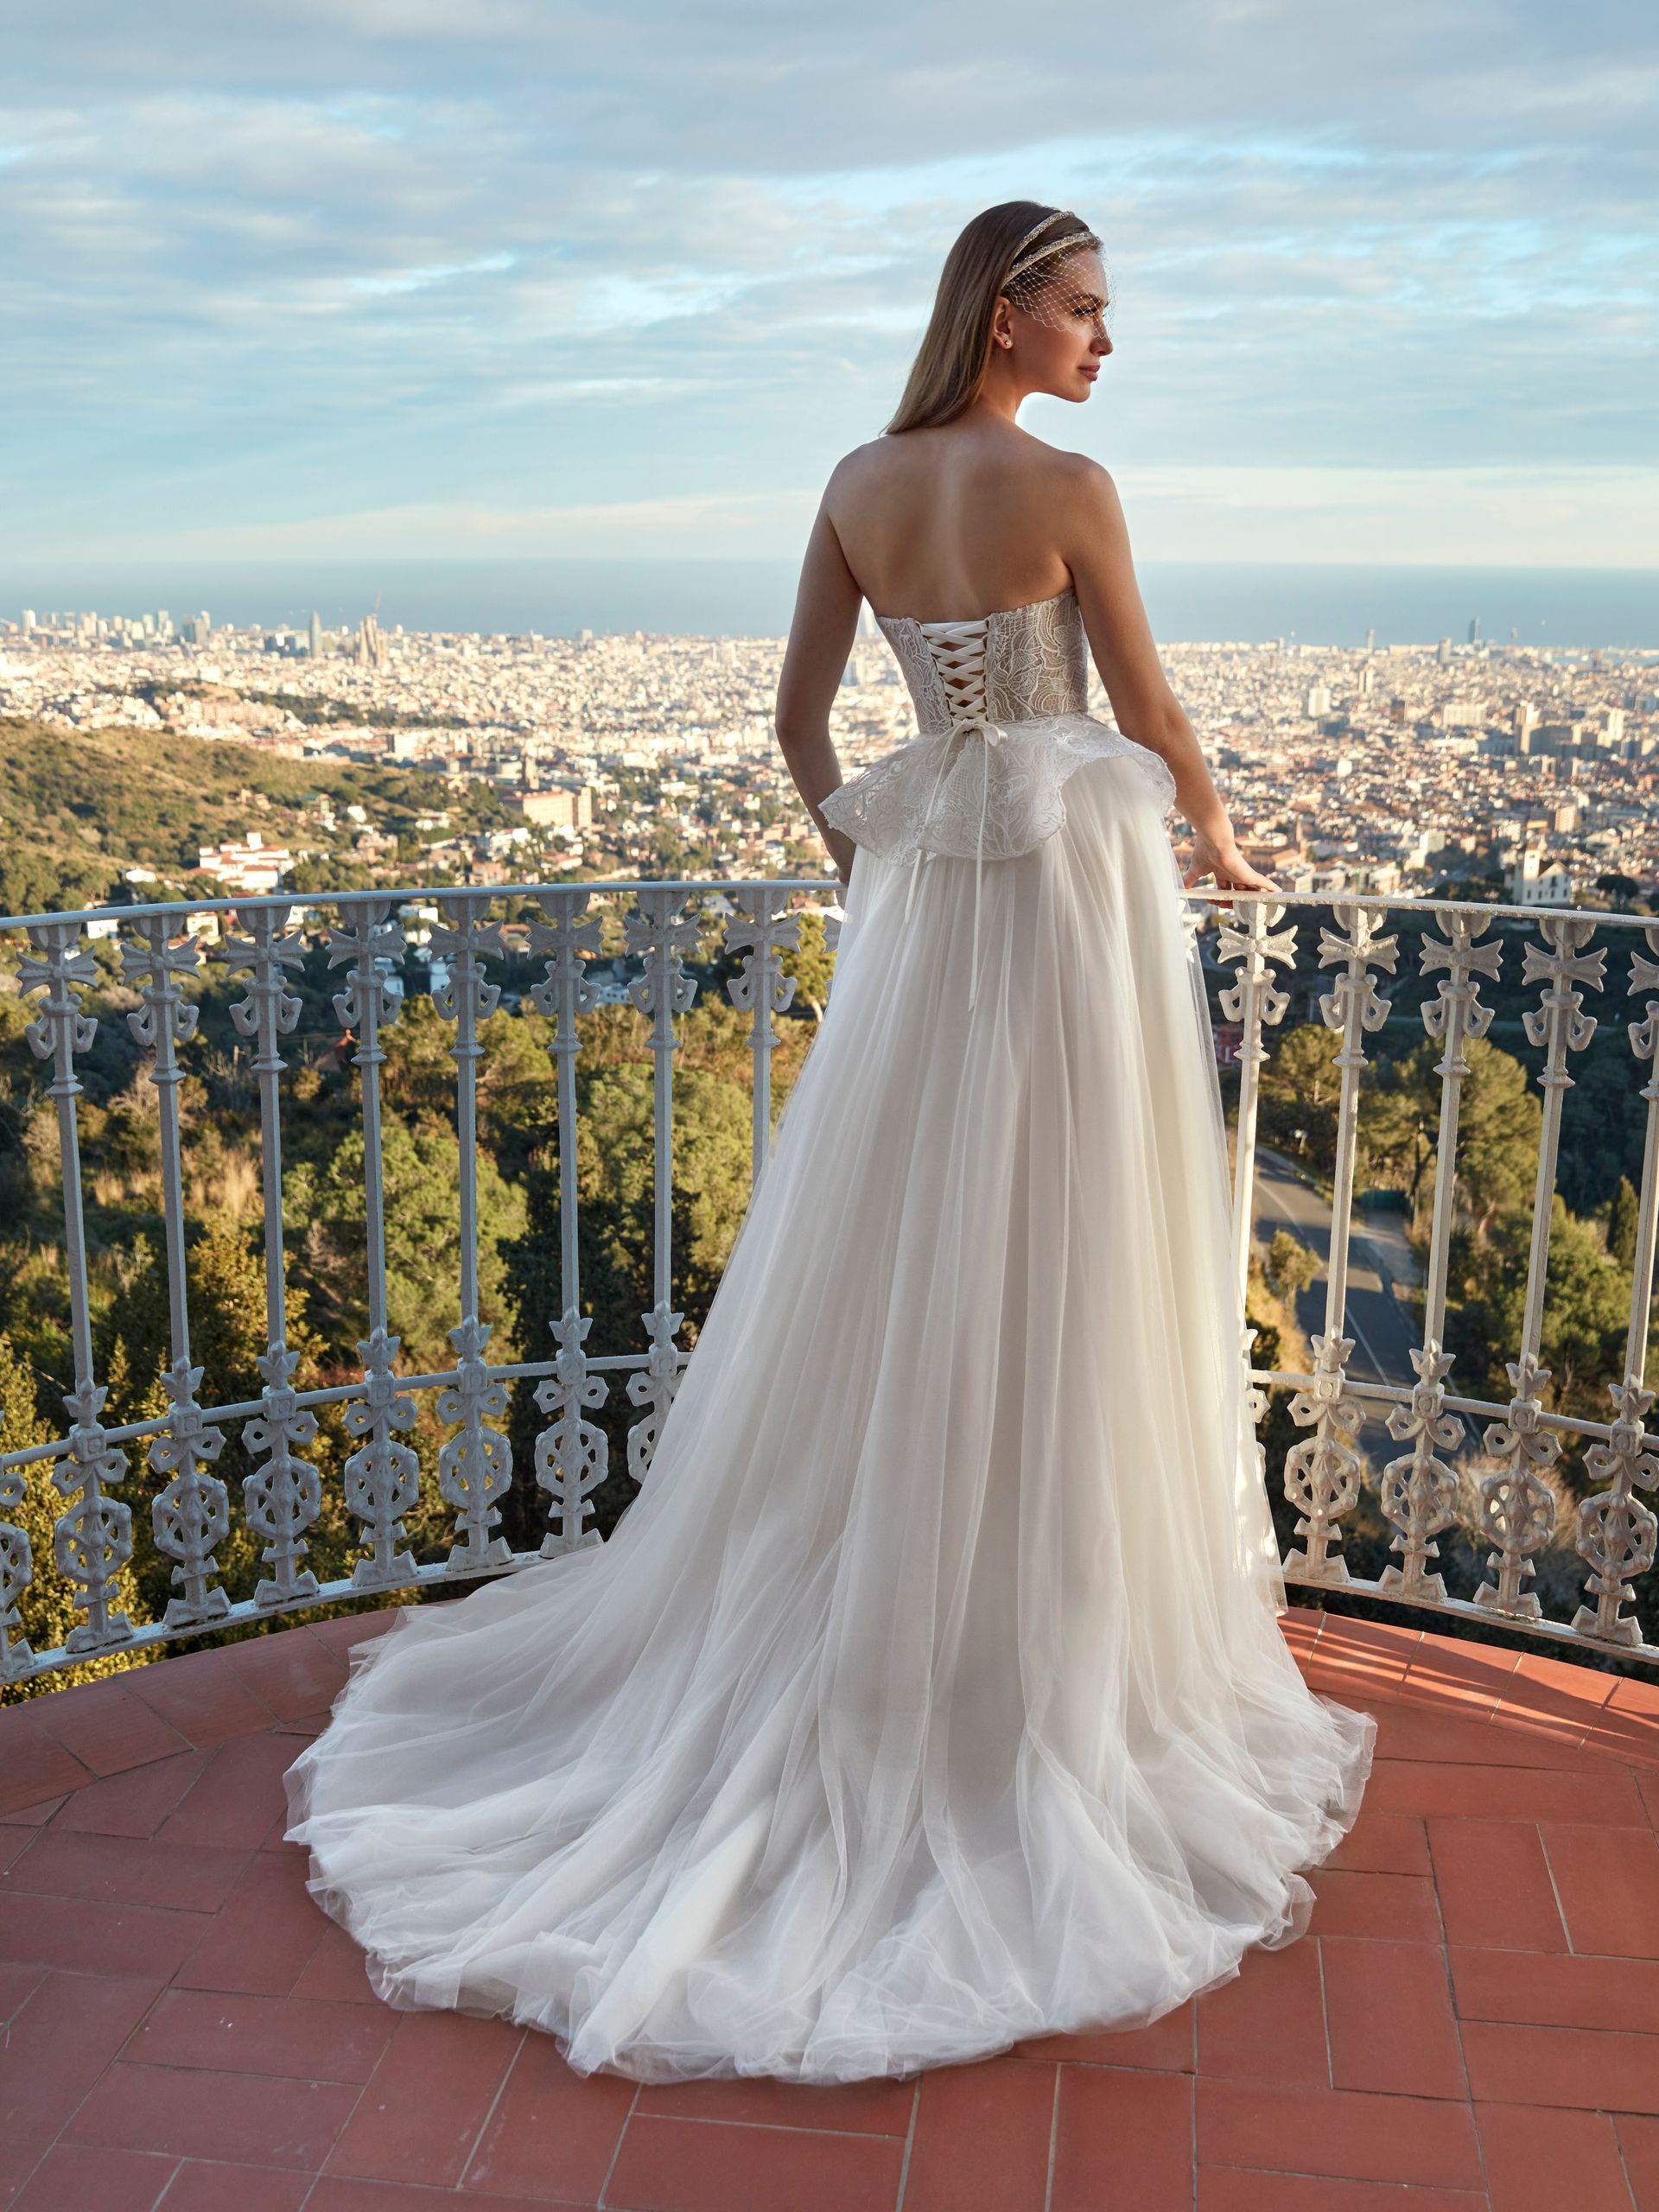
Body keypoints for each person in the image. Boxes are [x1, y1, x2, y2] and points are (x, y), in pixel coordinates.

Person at [283, 200, 1376, 2087]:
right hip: (1067, 918)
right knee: (1065, 1245)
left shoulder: (860, 484)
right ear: (1010, 309)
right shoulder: (1076, 485)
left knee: (893, 1244)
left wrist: (878, 860)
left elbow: (803, 724)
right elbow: (1147, 706)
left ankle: (881, 1605)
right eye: (1090, 310)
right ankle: (1031, 1639)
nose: (1109, 343)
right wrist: (1213, 830)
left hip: (932, 915)